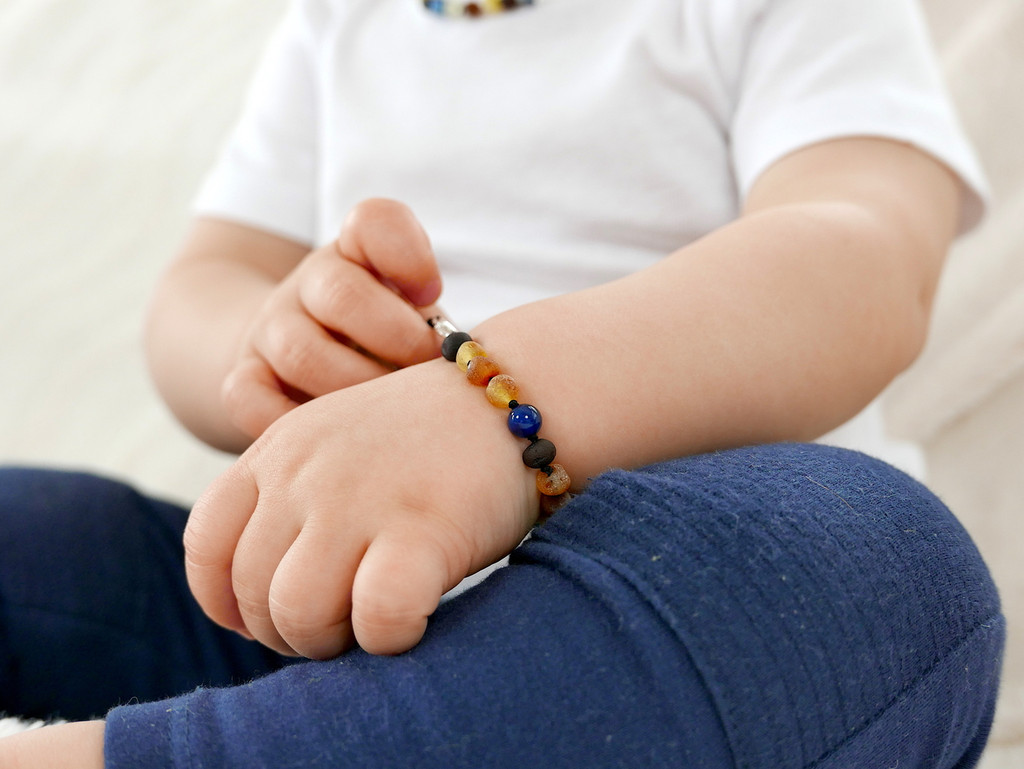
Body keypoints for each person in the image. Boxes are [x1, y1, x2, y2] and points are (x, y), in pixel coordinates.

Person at [0, 0, 1005, 766]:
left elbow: (861, 258)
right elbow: (201, 285)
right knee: (42, 526)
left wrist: (490, 413)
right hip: (327, 630)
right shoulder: (341, 24)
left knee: (892, 568)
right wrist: (274, 344)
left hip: (663, 616)